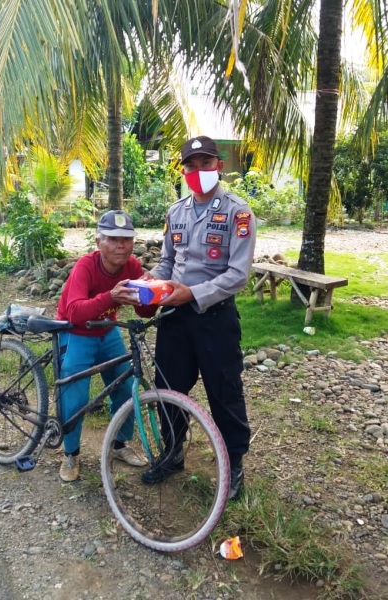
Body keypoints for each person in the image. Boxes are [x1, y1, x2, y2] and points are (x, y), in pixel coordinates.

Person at [141, 135, 256, 501]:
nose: (198, 171)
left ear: (219, 166)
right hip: (175, 315)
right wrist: (150, 279)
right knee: (168, 388)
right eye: (191, 166)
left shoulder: (238, 213)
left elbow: (238, 274)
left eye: (205, 164)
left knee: (224, 391)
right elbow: (168, 261)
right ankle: (173, 452)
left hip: (214, 318)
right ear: (184, 170)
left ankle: (234, 465)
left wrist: (194, 293)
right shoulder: (176, 212)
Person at [54, 210, 158, 482]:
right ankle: (71, 453)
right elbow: (74, 311)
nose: (121, 245)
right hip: (75, 331)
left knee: (124, 386)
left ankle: (120, 445)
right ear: (99, 242)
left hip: (106, 329)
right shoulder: (85, 267)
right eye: (113, 239)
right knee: (75, 392)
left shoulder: (132, 266)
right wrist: (110, 297)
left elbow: (144, 313)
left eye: (126, 239)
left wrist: (150, 298)